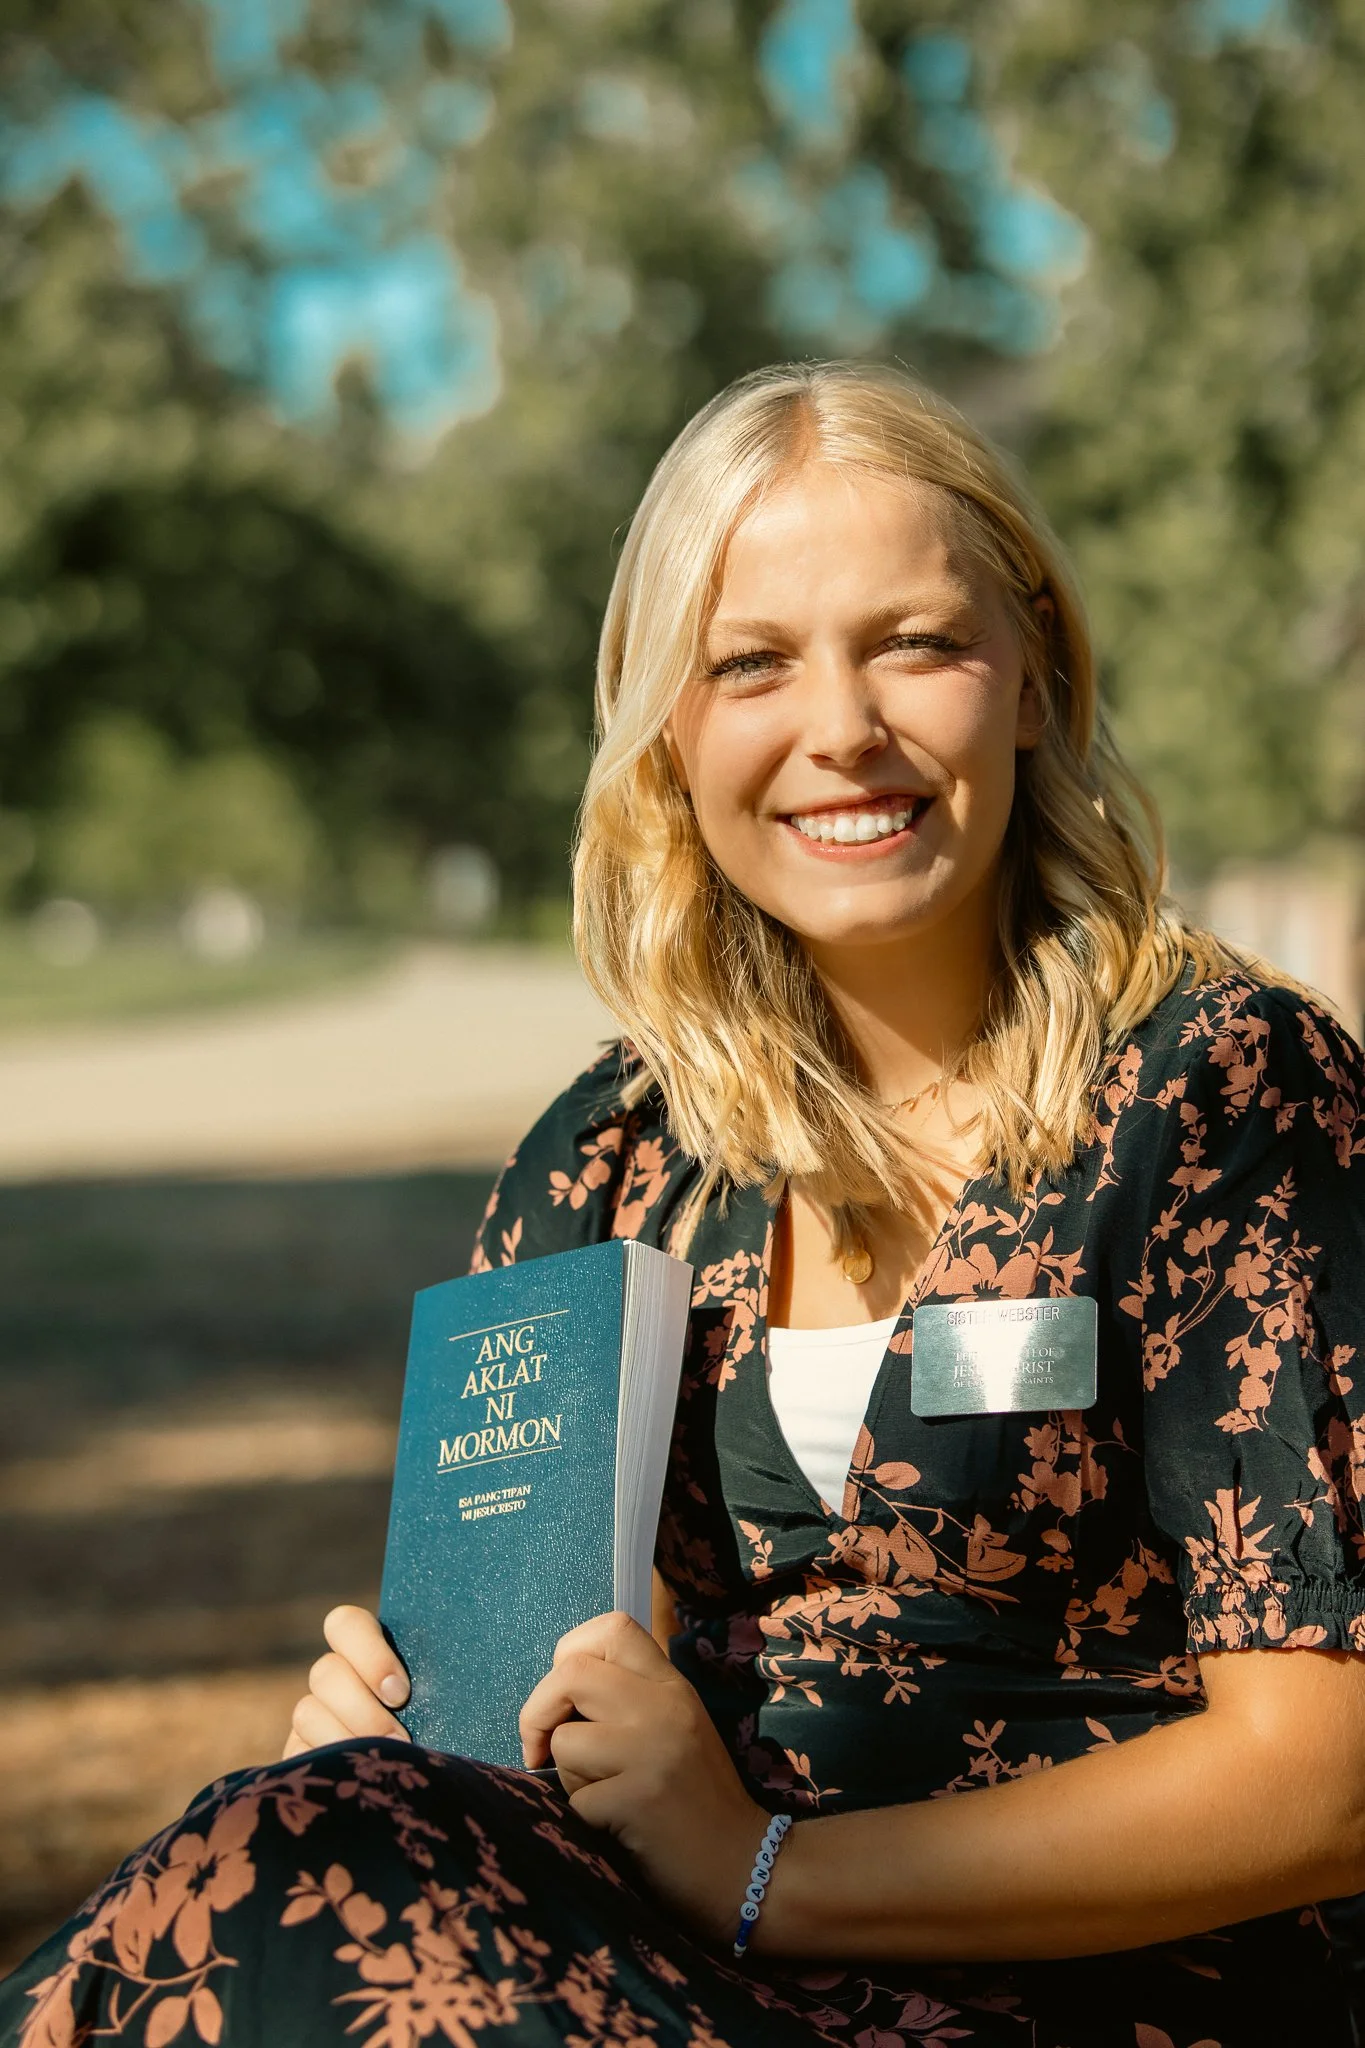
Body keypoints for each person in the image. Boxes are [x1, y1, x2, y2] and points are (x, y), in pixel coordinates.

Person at [5, 360, 1365, 2048]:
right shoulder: (611, 1157)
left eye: (916, 643)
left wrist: (765, 1870)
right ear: (671, 730)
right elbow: (528, 1689)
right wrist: (398, 1733)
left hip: (1107, 2005)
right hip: (658, 1984)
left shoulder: (1220, 1098)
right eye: (752, 665)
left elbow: (1326, 1776)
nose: (842, 728)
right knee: (284, 1857)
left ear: (1032, 675)